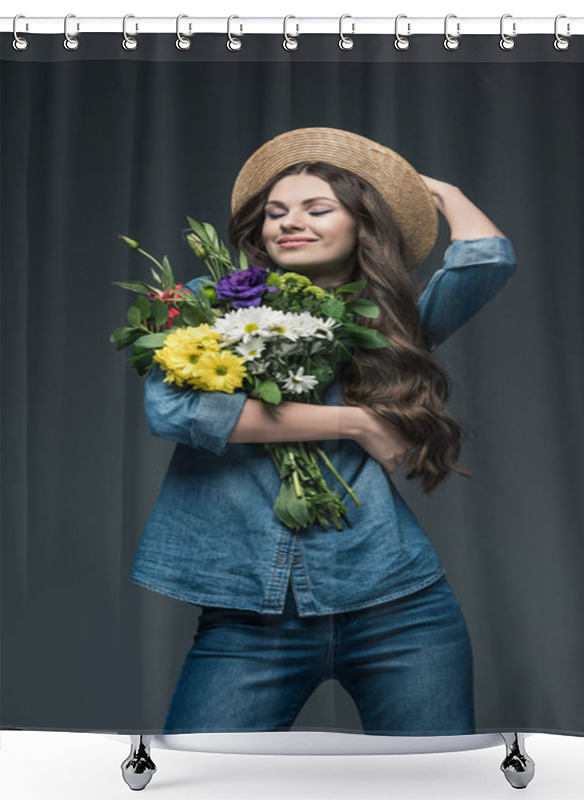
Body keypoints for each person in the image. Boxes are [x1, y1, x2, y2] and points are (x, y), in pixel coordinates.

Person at [131, 127, 518, 736]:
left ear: (362, 224)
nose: (290, 223)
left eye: (318, 209)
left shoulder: (390, 321)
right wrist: (357, 421)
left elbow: (487, 258)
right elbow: (176, 412)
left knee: (433, 785)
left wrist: (430, 191)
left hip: (401, 608)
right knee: (202, 777)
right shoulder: (213, 302)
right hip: (248, 619)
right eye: (276, 212)